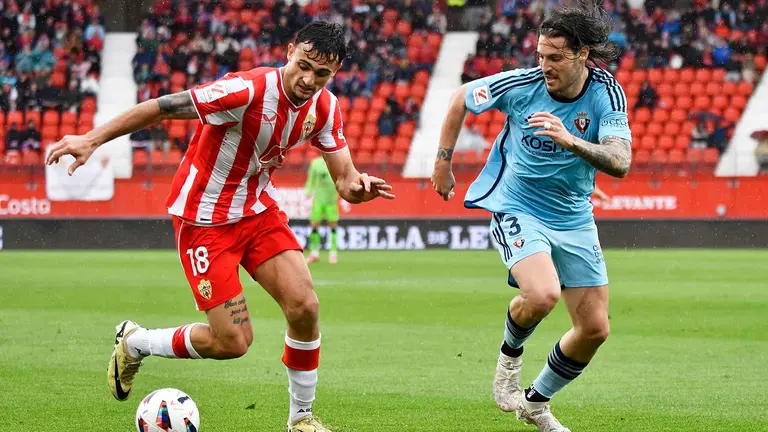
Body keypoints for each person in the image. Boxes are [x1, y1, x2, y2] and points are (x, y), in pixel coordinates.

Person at [45, 21, 395, 432]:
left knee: (306, 307)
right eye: (304, 66)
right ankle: (136, 342)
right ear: (289, 52)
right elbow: (162, 107)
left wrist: (360, 188)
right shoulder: (244, 91)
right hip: (204, 220)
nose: (309, 80)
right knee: (233, 343)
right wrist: (92, 138)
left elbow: (345, 180)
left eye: (322, 74)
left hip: (256, 212)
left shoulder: (325, 108)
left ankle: (300, 420)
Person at [431, 1, 632, 431]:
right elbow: (460, 97)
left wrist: (570, 140)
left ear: (582, 55)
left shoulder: (606, 93)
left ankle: (535, 403)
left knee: (594, 329)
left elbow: (620, 160)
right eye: (540, 54)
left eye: (555, 57)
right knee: (542, 295)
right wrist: (442, 163)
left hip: (574, 214)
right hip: (517, 203)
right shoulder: (522, 84)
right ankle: (509, 360)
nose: (544, 65)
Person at [304, 154, 340, 264]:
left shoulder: (336, 162)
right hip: (318, 200)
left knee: (333, 226)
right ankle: (314, 253)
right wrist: (307, 193)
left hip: (331, 201)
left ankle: (333, 253)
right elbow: (311, 179)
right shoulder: (315, 164)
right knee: (314, 225)